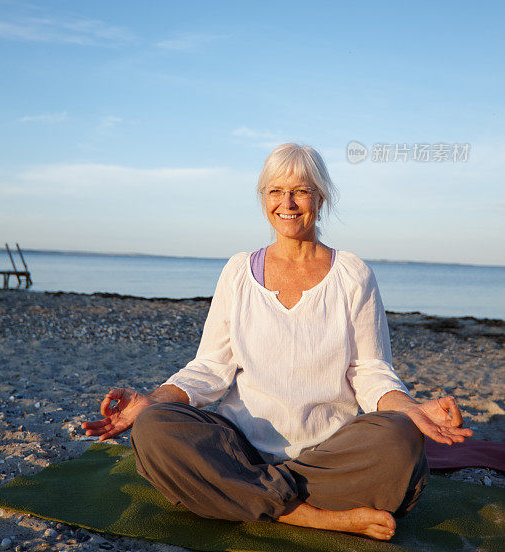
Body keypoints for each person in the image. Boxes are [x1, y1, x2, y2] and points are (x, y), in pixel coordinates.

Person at [82, 143, 472, 541]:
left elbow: (370, 370)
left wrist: (411, 408)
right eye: (275, 191)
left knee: (400, 438)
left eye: (301, 190)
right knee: (153, 428)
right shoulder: (238, 271)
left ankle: (242, 495)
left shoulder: (353, 274)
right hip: (240, 447)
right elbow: (211, 366)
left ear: (320, 197)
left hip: (328, 456)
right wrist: (155, 400)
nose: (287, 202)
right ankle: (311, 516)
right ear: (263, 198)